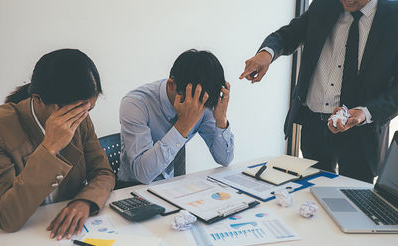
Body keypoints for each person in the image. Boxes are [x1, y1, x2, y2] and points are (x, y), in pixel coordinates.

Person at [240, 0, 398, 183]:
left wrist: (365, 112)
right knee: (312, 198)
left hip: (361, 134)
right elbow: (289, 34)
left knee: (354, 204)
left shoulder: (394, 16)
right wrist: (266, 54)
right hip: (313, 126)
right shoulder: (324, 4)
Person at [0, 49, 115, 239]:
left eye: (89, 109)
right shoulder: (2, 128)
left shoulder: (81, 118)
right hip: (22, 236)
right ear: (38, 100)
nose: (82, 117)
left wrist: (85, 201)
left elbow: (103, 172)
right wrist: (49, 148)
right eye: (74, 110)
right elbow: (8, 218)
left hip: (69, 234)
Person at [118, 49, 234, 184]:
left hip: (174, 186)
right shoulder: (135, 104)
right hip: (132, 189)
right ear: (171, 85)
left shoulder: (204, 101)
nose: (197, 108)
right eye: (193, 101)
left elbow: (225, 159)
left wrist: (221, 120)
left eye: (203, 104)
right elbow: (143, 175)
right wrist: (183, 125)